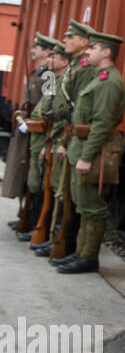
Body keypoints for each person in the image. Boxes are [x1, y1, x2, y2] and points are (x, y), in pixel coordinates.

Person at [55, 29, 125, 274]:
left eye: (93, 48)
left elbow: (102, 124)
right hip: (82, 148)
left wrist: (86, 157)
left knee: (93, 207)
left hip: (94, 152)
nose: (88, 52)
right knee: (83, 206)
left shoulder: (109, 82)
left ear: (106, 52)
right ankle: (80, 252)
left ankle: (88, 257)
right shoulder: (99, 78)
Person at [39, 21, 94, 261]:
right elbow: (47, 102)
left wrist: (63, 137)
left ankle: (60, 240)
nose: (49, 60)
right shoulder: (50, 74)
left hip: (65, 134)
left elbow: (75, 110)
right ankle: (49, 235)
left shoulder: (80, 69)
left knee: (63, 193)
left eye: (70, 38)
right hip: (53, 132)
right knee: (47, 186)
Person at [16, 35, 62, 241]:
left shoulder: (50, 78)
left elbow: (48, 108)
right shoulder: (46, 75)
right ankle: (30, 219)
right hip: (35, 136)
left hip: (42, 137)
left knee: (40, 183)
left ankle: (36, 224)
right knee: (33, 181)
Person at [7, 35, 52, 230]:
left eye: (38, 47)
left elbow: (49, 104)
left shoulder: (48, 76)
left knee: (34, 177)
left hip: (37, 130)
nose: (33, 50)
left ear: (47, 51)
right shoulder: (39, 72)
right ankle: (24, 213)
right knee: (25, 173)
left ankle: (32, 219)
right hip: (28, 127)